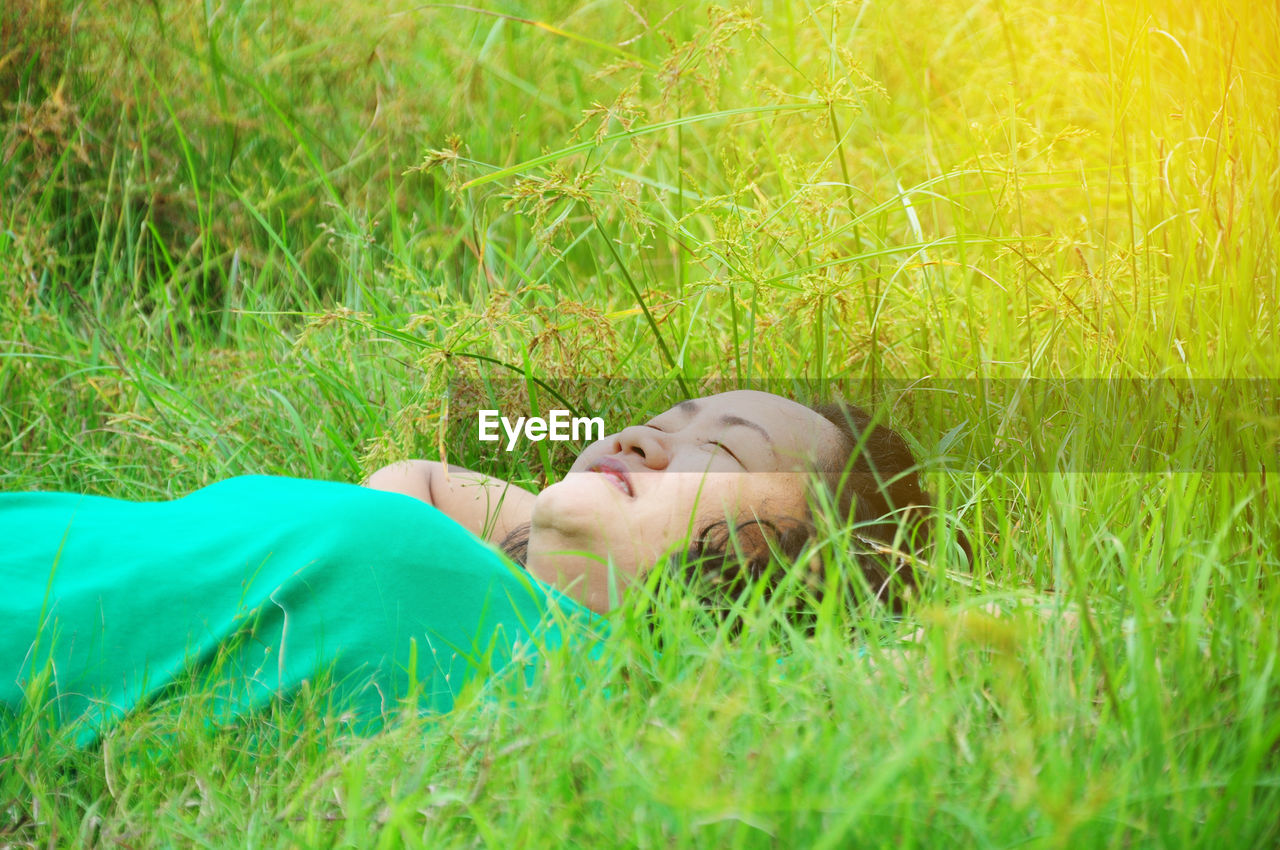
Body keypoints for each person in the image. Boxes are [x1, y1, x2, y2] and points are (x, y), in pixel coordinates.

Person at [1, 390, 959, 744]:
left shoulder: (606, 688)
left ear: (800, 574)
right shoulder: (508, 598)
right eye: (663, 419)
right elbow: (414, 478)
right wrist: (554, 530)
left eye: (727, 448)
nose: (640, 439)